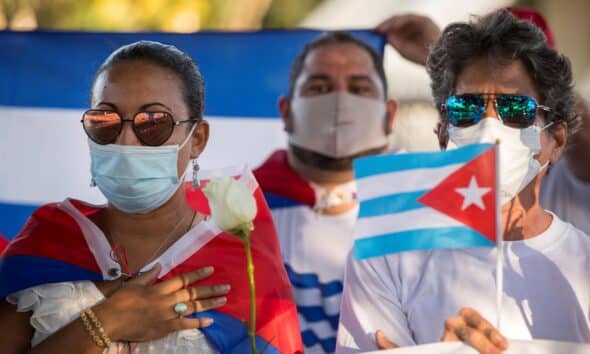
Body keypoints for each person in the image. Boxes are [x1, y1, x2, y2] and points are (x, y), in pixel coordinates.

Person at [0, 41, 302, 354]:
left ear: (197, 139)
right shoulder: (47, 242)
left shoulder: (244, 268)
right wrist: (105, 323)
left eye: (154, 122)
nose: (127, 142)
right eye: (105, 121)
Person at [336, 9, 590, 354]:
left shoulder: (583, 265)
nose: (488, 127)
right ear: (443, 134)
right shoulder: (386, 255)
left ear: (556, 140)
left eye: (515, 109)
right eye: (465, 109)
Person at [253, 32, 397, 353]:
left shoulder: (425, 204)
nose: (339, 102)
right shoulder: (237, 210)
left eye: (359, 89)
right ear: (286, 111)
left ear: (390, 114)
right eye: (318, 89)